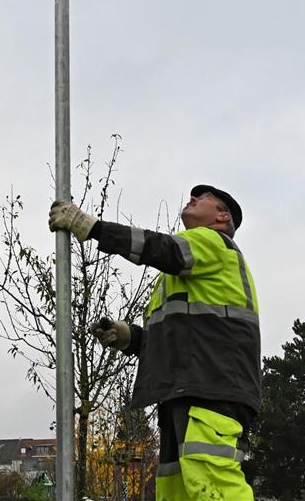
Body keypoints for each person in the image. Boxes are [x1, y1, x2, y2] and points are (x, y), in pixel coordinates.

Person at [49, 185, 260, 501]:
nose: (193, 197)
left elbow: (159, 248)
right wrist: (129, 338)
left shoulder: (213, 243)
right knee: (178, 491)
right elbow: (179, 340)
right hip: (190, 389)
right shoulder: (186, 275)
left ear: (222, 216)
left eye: (204, 198)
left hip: (212, 389)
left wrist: (92, 227)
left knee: (214, 484)